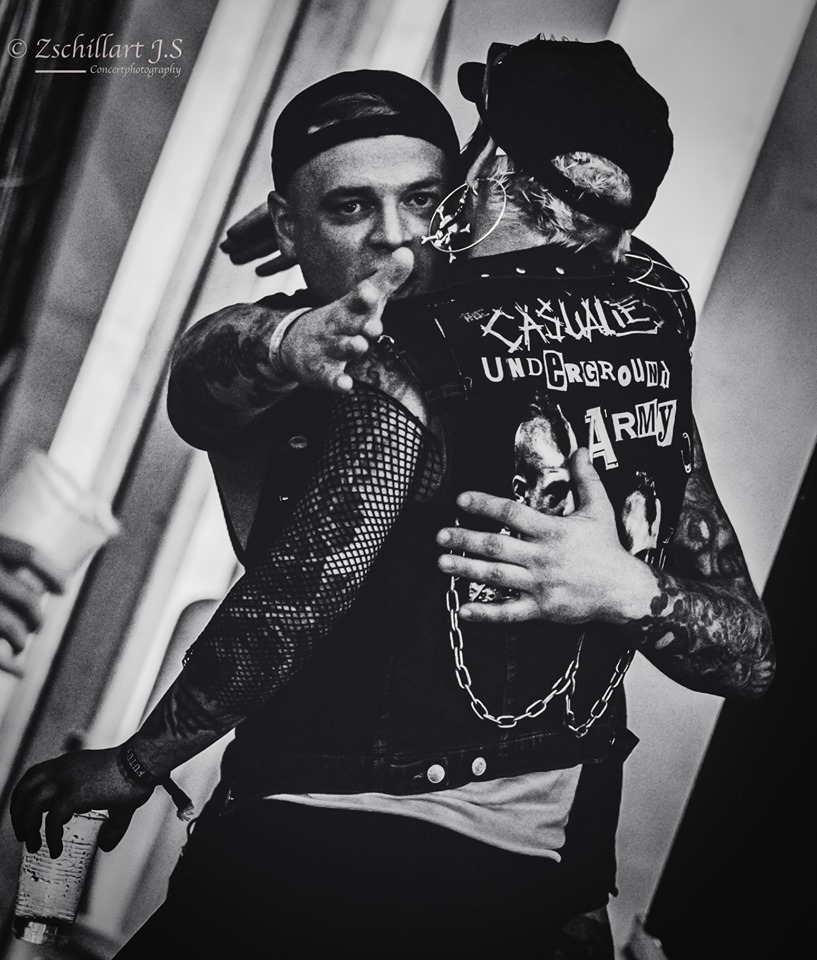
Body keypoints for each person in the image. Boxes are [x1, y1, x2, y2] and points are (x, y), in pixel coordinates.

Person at [10, 43, 774, 958]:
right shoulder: (311, 351)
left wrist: (627, 590)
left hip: (527, 880)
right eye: (348, 207)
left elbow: (752, 654)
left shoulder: (618, 360)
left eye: (424, 198)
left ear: (481, 187)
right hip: (314, 856)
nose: (395, 236)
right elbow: (209, 378)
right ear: (291, 227)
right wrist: (297, 332)